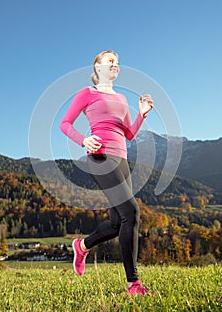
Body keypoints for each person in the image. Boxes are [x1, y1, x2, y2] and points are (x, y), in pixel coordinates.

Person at [60, 50, 154, 296]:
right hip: (100, 157)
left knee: (116, 222)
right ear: (98, 67)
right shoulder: (87, 94)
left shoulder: (122, 98)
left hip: (121, 159)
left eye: (117, 62)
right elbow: (65, 123)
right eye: (110, 60)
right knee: (131, 212)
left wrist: (141, 115)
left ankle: (82, 246)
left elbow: (129, 134)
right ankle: (133, 284)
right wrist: (83, 140)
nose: (115, 64)